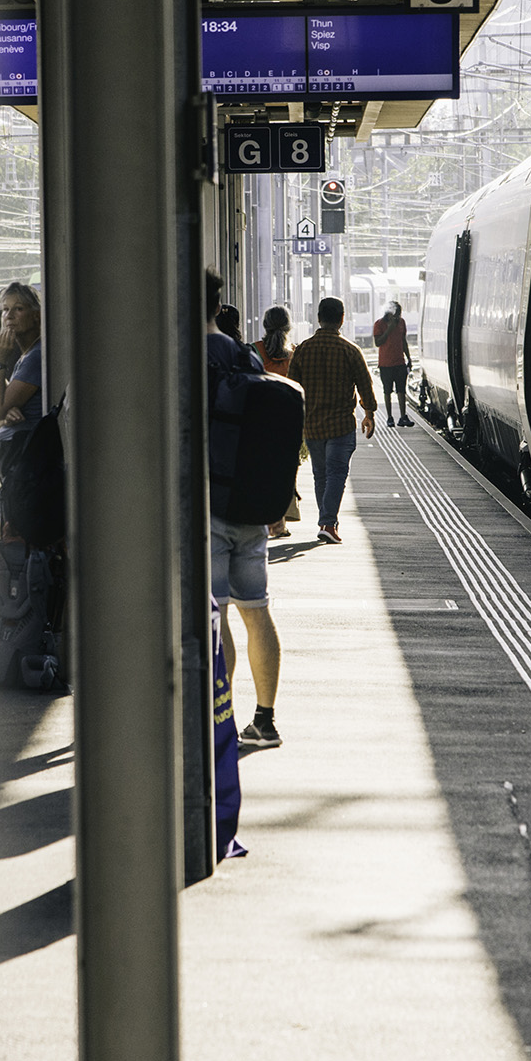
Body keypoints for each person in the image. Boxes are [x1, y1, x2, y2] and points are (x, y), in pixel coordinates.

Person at [202, 272, 287, 751]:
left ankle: (221, 720)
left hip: (209, 505)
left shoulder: (187, 354)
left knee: (215, 616)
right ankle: (266, 720)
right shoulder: (244, 354)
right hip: (250, 507)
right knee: (257, 613)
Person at [288, 295, 379, 544]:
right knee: (337, 473)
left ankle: (326, 521)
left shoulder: (303, 350)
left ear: (318, 318)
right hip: (340, 425)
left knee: (321, 475)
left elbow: (292, 387)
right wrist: (369, 413)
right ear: (342, 318)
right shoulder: (350, 350)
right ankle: (328, 522)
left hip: (313, 425)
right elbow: (365, 387)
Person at [0, 282, 44, 457]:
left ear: (36, 316)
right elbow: (0, 411)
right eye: (5, 310)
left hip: (27, 454)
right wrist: (5, 415)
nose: (9, 316)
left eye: (18, 309)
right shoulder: (27, 355)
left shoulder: (36, 357)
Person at [256, 306, 297, 538]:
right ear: (289, 326)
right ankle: (279, 524)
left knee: (261, 473)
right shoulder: (294, 353)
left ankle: (265, 521)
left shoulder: (253, 351)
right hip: (287, 422)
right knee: (284, 474)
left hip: (259, 422)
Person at [373, 299, 412, 423]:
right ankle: (389, 417)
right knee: (387, 391)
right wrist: (389, 329)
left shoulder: (402, 323)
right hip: (385, 363)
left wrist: (409, 357)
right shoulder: (379, 324)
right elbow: (378, 342)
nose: (398, 316)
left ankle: (403, 416)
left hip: (399, 361)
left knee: (401, 390)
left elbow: (403, 341)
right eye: (396, 313)